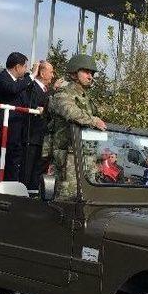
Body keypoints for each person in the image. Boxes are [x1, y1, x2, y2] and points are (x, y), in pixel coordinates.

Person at [49, 54, 107, 199]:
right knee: (68, 198)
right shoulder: (63, 93)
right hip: (69, 157)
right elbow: (71, 112)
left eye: (92, 73)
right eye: (86, 72)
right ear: (74, 73)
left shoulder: (86, 97)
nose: (90, 76)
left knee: (90, 197)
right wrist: (93, 120)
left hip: (87, 155)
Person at [0, 52, 35, 187]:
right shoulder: (1, 78)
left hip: (17, 130)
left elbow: (24, 102)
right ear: (17, 66)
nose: (26, 70)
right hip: (3, 128)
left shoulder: (20, 83)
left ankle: (10, 189)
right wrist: (32, 76)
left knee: (13, 163)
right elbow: (12, 89)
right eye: (25, 67)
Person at [20, 61, 54, 190]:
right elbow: (29, 103)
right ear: (42, 72)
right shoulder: (32, 87)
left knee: (38, 172)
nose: (52, 75)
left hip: (42, 138)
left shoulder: (47, 91)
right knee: (27, 171)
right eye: (51, 72)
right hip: (31, 136)